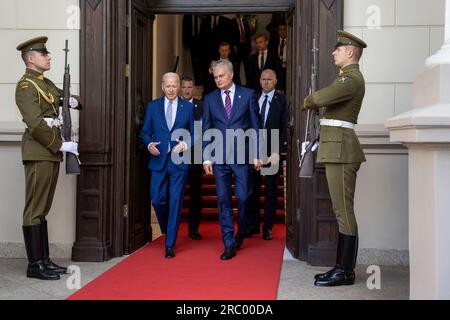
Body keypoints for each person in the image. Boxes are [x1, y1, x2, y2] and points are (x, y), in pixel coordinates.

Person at [303, 30, 367, 287]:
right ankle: (342, 268)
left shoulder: (351, 79)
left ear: (350, 52)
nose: (333, 53)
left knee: (343, 211)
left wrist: (309, 99)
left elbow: (320, 98)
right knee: (341, 210)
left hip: (342, 151)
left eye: (338, 49)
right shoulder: (346, 78)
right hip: (336, 149)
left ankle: (345, 271)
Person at [15, 36, 82, 280]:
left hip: (51, 152)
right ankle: (35, 265)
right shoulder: (26, 87)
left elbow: (64, 97)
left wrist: (73, 100)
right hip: (40, 150)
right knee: (34, 209)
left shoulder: (45, 83)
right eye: (44, 54)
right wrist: (59, 144)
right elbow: (34, 124)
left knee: (42, 208)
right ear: (31, 58)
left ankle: (43, 260)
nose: (49, 56)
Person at [202, 59, 261, 260]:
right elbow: (207, 129)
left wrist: (257, 154)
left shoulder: (247, 95)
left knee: (244, 198)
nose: (218, 80)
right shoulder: (210, 99)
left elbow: (256, 127)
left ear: (231, 75)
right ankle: (228, 243)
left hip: (243, 156)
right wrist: (206, 158)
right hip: (219, 159)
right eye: (215, 77)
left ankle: (241, 232)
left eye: (221, 76)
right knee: (223, 200)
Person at [140, 73, 195, 258]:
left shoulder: (187, 107)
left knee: (175, 202)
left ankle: (170, 243)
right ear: (162, 87)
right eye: (168, 86)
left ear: (179, 86)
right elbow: (145, 132)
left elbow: (196, 133)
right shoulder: (153, 106)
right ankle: (165, 227)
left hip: (179, 162)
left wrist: (186, 144)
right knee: (157, 198)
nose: (171, 89)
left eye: (174, 86)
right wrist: (148, 144)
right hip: (158, 161)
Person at [246, 69, 287, 240]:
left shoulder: (282, 100)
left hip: (273, 153)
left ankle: (268, 227)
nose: (266, 82)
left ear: (276, 80)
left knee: (270, 191)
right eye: (263, 79)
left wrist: (277, 151)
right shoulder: (253, 98)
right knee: (252, 190)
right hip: (254, 151)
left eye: (269, 79)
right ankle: (253, 224)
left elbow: (284, 127)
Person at [180, 76, 203, 240]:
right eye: (184, 87)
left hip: (195, 155)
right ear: (181, 88)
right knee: (176, 192)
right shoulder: (175, 105)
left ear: (194, 89)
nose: (187, 90)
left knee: (195, 194)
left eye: (190, 87)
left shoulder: (201, 106)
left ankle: (193, 229)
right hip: (178, 155)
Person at [269, 23, 288, 92]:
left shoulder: (292, 41)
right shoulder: (273, 42)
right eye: (280, 30)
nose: (282, 32)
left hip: (288, 68)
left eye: (284, 29)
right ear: (278, 31)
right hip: (277, 69)